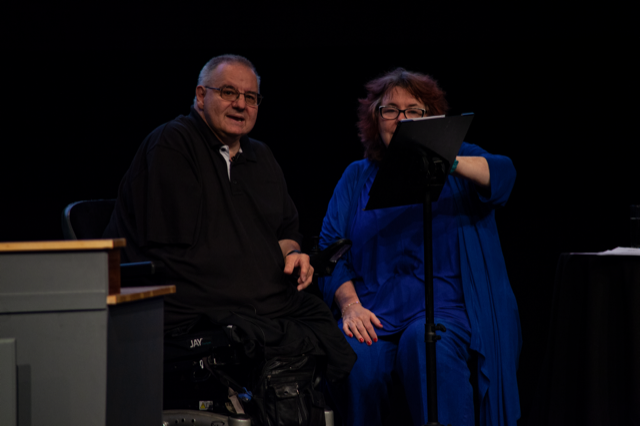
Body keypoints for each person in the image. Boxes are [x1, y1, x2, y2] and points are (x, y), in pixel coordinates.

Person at [103, 54, 356, 383]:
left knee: (319, 319)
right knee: (279, 335)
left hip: (257, 298)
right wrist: (263, 287)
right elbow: (178, 254)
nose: (240, 104)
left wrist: (293, 254)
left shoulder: (261, 156)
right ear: (200, 96)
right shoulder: (173, 143)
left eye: (251, 97)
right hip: (188, 301)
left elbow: (285, 230)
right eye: (228, 92)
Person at [318, 68, 521, 426]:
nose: (402, 119)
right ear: (375, 118)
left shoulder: (459, 160)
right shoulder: (356, 176)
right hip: (374, 313)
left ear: (432, 118)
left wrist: (445, 159)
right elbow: (330, 252)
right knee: (354, 360)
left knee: (425, 346)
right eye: (390, 110)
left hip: (444, 309)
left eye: (414, 111)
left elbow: (504, 174)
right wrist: (350, 306)